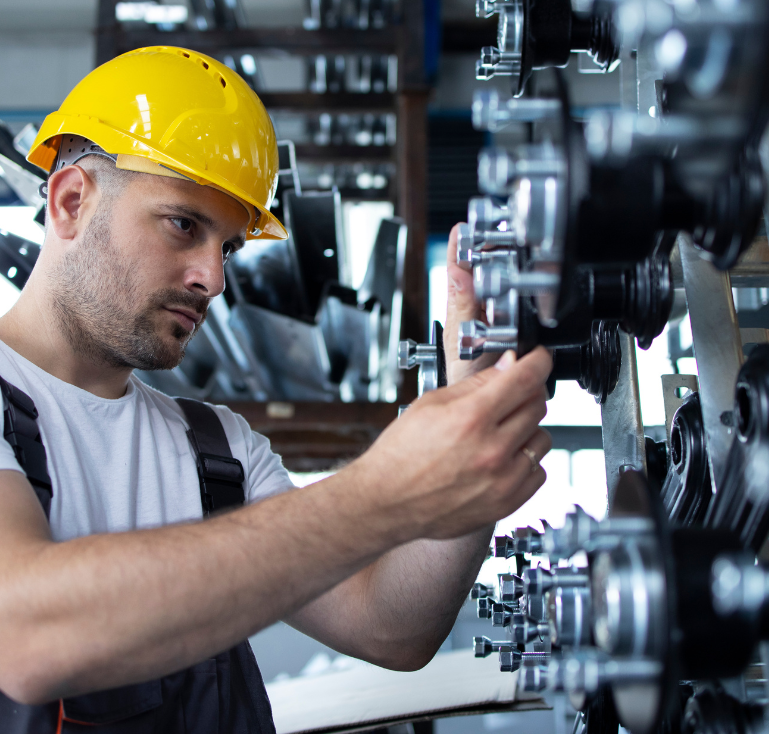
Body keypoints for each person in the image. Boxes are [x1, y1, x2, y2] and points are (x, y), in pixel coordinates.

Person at [0, 46, 552, 733]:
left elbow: (393, 629)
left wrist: (478, 405)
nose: (213, 278)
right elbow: (22, 632)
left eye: (228, 246)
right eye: (184, 225)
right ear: (72, 200)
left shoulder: (218, 452)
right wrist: (382, 492)